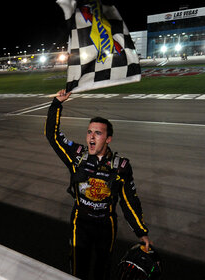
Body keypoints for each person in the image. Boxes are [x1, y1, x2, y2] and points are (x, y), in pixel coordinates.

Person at [45, 89, 151, 280]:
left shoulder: (121, 166)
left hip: (106, 224)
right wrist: (56, 104)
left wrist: (141, 232)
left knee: (102, 271)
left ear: (108, 139)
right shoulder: (77, 155)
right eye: (89, 132)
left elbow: (129, 201)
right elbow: (52, 136)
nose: (91, 137)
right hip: (80, 221)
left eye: (98, 133)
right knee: (78, 270)